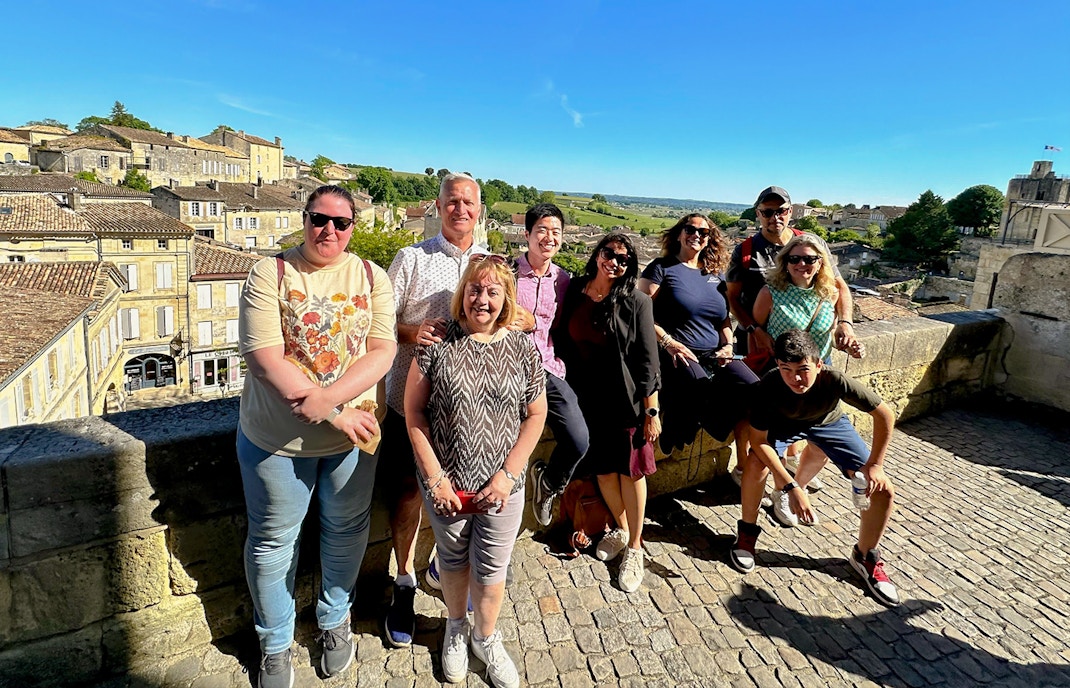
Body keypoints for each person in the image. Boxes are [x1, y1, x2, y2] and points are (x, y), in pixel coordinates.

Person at [237, 185, 397, 688]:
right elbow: (264, 358)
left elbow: (382, 352)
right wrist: (336, 412)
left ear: (353, 226)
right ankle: (276, 643)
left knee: (347, 531)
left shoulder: (372, 276)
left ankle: (334, 620)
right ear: (304, 219)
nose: (328, 230)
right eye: (318, 218)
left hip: (354, 438)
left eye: (341, 222)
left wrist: (329, 405)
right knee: (272, 544)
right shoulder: (271, 272)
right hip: (277, 441)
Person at [381, 173, 534, 647]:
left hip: (477, 419)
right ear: (439, 205)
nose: (460, 209)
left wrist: (514, 317)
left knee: (463, 507)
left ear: (480, 208)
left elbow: (520, 319)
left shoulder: (493, 263)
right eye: (452, 201)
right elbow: (379, 324)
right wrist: (413, 334)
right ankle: (405, 581)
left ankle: (444, 575)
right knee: (408, 495)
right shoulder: (412, 258)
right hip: (415, 405)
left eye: (469, 202)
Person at [405, 255, 547, 688]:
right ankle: (455, 627)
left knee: (491, 569)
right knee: (451, 562)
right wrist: (435, 479)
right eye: (474, 289)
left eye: (492, 292)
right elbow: (414, 413)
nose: (481, 299)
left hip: (502, 487)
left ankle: (486, 637)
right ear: (461, 292)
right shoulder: (437, 342)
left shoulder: (522, 346)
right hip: (446, 486)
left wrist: (507, 475)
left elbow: (536, 414)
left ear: (505, 298)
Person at [730, 329, 900, 608]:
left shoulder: (834, 380)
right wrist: (791, 486)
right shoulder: (768, 387)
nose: (795, 378)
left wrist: (876, 465)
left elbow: (884, 414)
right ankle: (747, 534)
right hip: (782, 425)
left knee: (882, 490)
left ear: (819, 364)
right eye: (786, 369)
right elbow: (759, 442)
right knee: (756, 463)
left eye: (803, 369)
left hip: (829, 424)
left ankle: (865, 556)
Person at [726, 186, 857, 489]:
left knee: (800, 408)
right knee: (752, 410)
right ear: (758, 213)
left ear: (790, 211)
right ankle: (745, 467)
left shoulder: (810, 244)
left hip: (813, 349)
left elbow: (839, 287)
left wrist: (846, 323)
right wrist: (753, 330)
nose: (775, 217)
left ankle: (789, 467)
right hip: (758, 340)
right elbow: (733, 298)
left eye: (781, 210)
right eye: (767, 211)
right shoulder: (746, 250)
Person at [555, 233, 660, 593]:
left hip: (625, 399)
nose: (614, 262)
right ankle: (621, 527)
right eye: (609, 253)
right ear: (597, 253)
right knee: (603, 470)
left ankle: (634, 548)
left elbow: (648, 360)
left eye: (624, 259)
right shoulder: (577, 290)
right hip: (587, 398)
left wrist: (652, 409)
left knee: (630, 472)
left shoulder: (636, 301)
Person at [751, 234, 865, 527]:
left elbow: (832, 335)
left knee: (821, 445)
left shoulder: (829, 293)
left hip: (819, 378)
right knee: (769, 446)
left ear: (820, 263)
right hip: (783, 381)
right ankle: (784, 487)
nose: (802, 264)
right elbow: (755, 331)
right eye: (795, 259)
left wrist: (847, 336)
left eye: (810, 259)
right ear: (785, 262)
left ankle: (790, 489)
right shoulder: (770, 292)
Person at [638, 213, 758, 460]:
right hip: (676, 352)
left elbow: (723, 319)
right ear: (679, 233)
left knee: (754, 388)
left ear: (708, 240)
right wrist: (669, 342)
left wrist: (728, 345)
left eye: (703, 233)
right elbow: (641, 313)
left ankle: (705, 424)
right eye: (690, 229)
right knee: (700, 386)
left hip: (715, 353)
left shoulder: (716, 274)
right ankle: (680, 425)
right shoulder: (661, 268)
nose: (696, 235)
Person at [519, 203, 591, 527]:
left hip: (547, 368)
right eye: (542, 231)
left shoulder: (565, 281)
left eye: (555, 232)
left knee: (578, 438)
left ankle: (549, 483)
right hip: (508, 369)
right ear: (527, 235)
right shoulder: (506, 274)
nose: (549, 237)